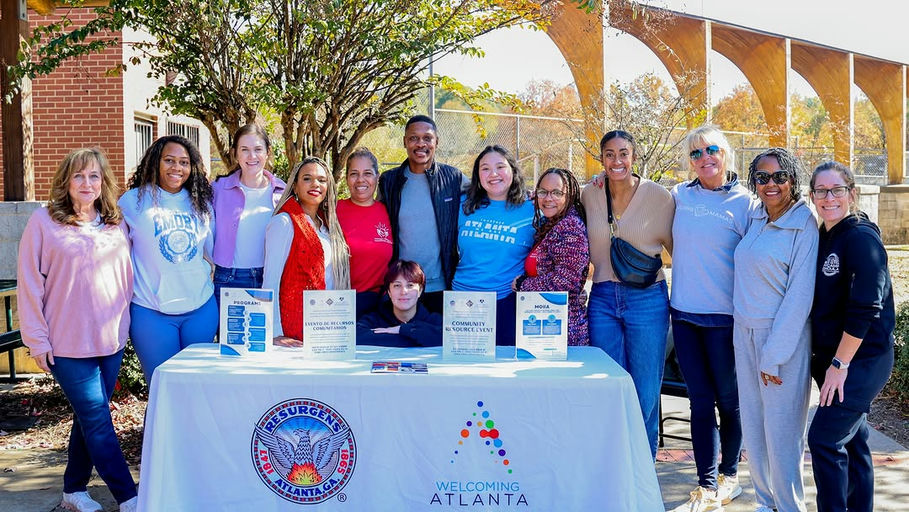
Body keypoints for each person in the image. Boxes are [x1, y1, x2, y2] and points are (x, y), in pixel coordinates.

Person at [17, 148, 138, 512]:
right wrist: (36, 340)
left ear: (104, 183)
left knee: (89, 418)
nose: (87, 183)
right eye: (79, 176)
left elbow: (127, 277)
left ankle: (74, 489)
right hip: (66, 343)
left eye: (94, 176)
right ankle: (129, 497)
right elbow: (29, 282)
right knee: (99, 420)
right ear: (66, 182)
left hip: (110, 339)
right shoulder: (44, 221)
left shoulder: (116, 223)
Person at [669, 125, 753, 512]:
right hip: (685, 316)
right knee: (699, 403)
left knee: (729, 403)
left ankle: (729, 477)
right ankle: (705, 487)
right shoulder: (679, 196)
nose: (705, 158)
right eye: (696, 153)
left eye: (712, 150)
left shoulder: (745, 203)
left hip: (725, 319)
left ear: (726, 153)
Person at [733, 148, 817, 512]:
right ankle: (765, 504)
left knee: (782, 436)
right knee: (755, 429)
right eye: (763, 177)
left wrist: (774, 355)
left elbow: (799, 297)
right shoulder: (755, 216)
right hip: (744, 334)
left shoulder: (804, 224)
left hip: (780, 341)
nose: (772, 184)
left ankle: (789, 506)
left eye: (780, 176)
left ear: (793, 180)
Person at [807, 161, 895, 512]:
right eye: (821, 191)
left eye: (837, 190)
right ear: (812, 195)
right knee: (853, 441)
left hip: (862, 360)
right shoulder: (827, 234)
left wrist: (840, 363)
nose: (829, 197)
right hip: (836, 360)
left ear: (852, 193)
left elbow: (866, 307)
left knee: (824, 439)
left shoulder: (859, 237)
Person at [583, 130, 674, 459]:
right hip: (603, 299)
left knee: (644, 394)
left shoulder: (659, 196)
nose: (616, 160)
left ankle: (643, 478)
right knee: (609, 387)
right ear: (602, 158)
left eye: (623, 153)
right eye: (609, 154)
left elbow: (680, 251)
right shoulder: (589, 194)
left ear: (634, 157)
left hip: (647, 299)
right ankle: (614, 471)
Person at [119, 135, 216, 384]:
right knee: (162, 387)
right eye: (169, 160)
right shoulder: (132, 201)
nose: (177, 168)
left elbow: (208, 251)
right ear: (155, 162)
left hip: (200, 309)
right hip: (151, 311)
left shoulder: (201, 202)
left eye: (184, 162)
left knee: (197, 386)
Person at [376, 115, 469, 313]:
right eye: (413, 138)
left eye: (427, 138)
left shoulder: (453, 178)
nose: (421, 144)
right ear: (404, 142)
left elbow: (483, 197)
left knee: (436, 341)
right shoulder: (389, 181)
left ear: (437, 142)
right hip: (402, 288)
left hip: (441, 286)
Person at [452, 145, 535, 346]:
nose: (493, 174)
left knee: (503, 370)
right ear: (477, 174)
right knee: (463, 370)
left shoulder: (532, 209)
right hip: (462, 301)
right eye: (485, 168)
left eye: (500, 166)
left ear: (512, 171)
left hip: (506, 301)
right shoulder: (462, 205)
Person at [263, 156, 351, 346]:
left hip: (326, 324)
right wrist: (274, 332)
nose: (315, 184)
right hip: (292, 328)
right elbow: (271, 279)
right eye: (307, 178)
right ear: (295, 186)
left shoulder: (328, 227)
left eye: (321, 180)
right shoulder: (284, 222)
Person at [513, 167, 590, 346]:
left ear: (568, 195)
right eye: (543, 192)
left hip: (562, 328)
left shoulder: (570, 227)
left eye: (556, 192)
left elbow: (564, 282)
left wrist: (522, 284)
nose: (548, 198)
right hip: (544, 322)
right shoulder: (549, 224)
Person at [211, 124, 286, 301]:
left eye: (258, 149)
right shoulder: (218, 189)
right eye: (244, 149)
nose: (252, 156)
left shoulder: (283, 191)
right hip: (228, 279)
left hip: (270, 278)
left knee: (269, 330)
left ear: (268, 152)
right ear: (235, 153)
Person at [337, 147, 393, 318]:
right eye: (354, 174)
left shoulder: (389, 211)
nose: (360, 180)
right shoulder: (334, 211)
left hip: (382, 306)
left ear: (377, 176)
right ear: (346, 178)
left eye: (367, 173)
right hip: (343, 304)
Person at [357, 260, 443, 347]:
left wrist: (404, 329)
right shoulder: (374, 320)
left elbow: (449, 337)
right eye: (397, 285)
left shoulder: (434, 320)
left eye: (410, 285)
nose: (403, 292)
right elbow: (355, 336)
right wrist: (420, 336)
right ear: (389, 292)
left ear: (420, 291)